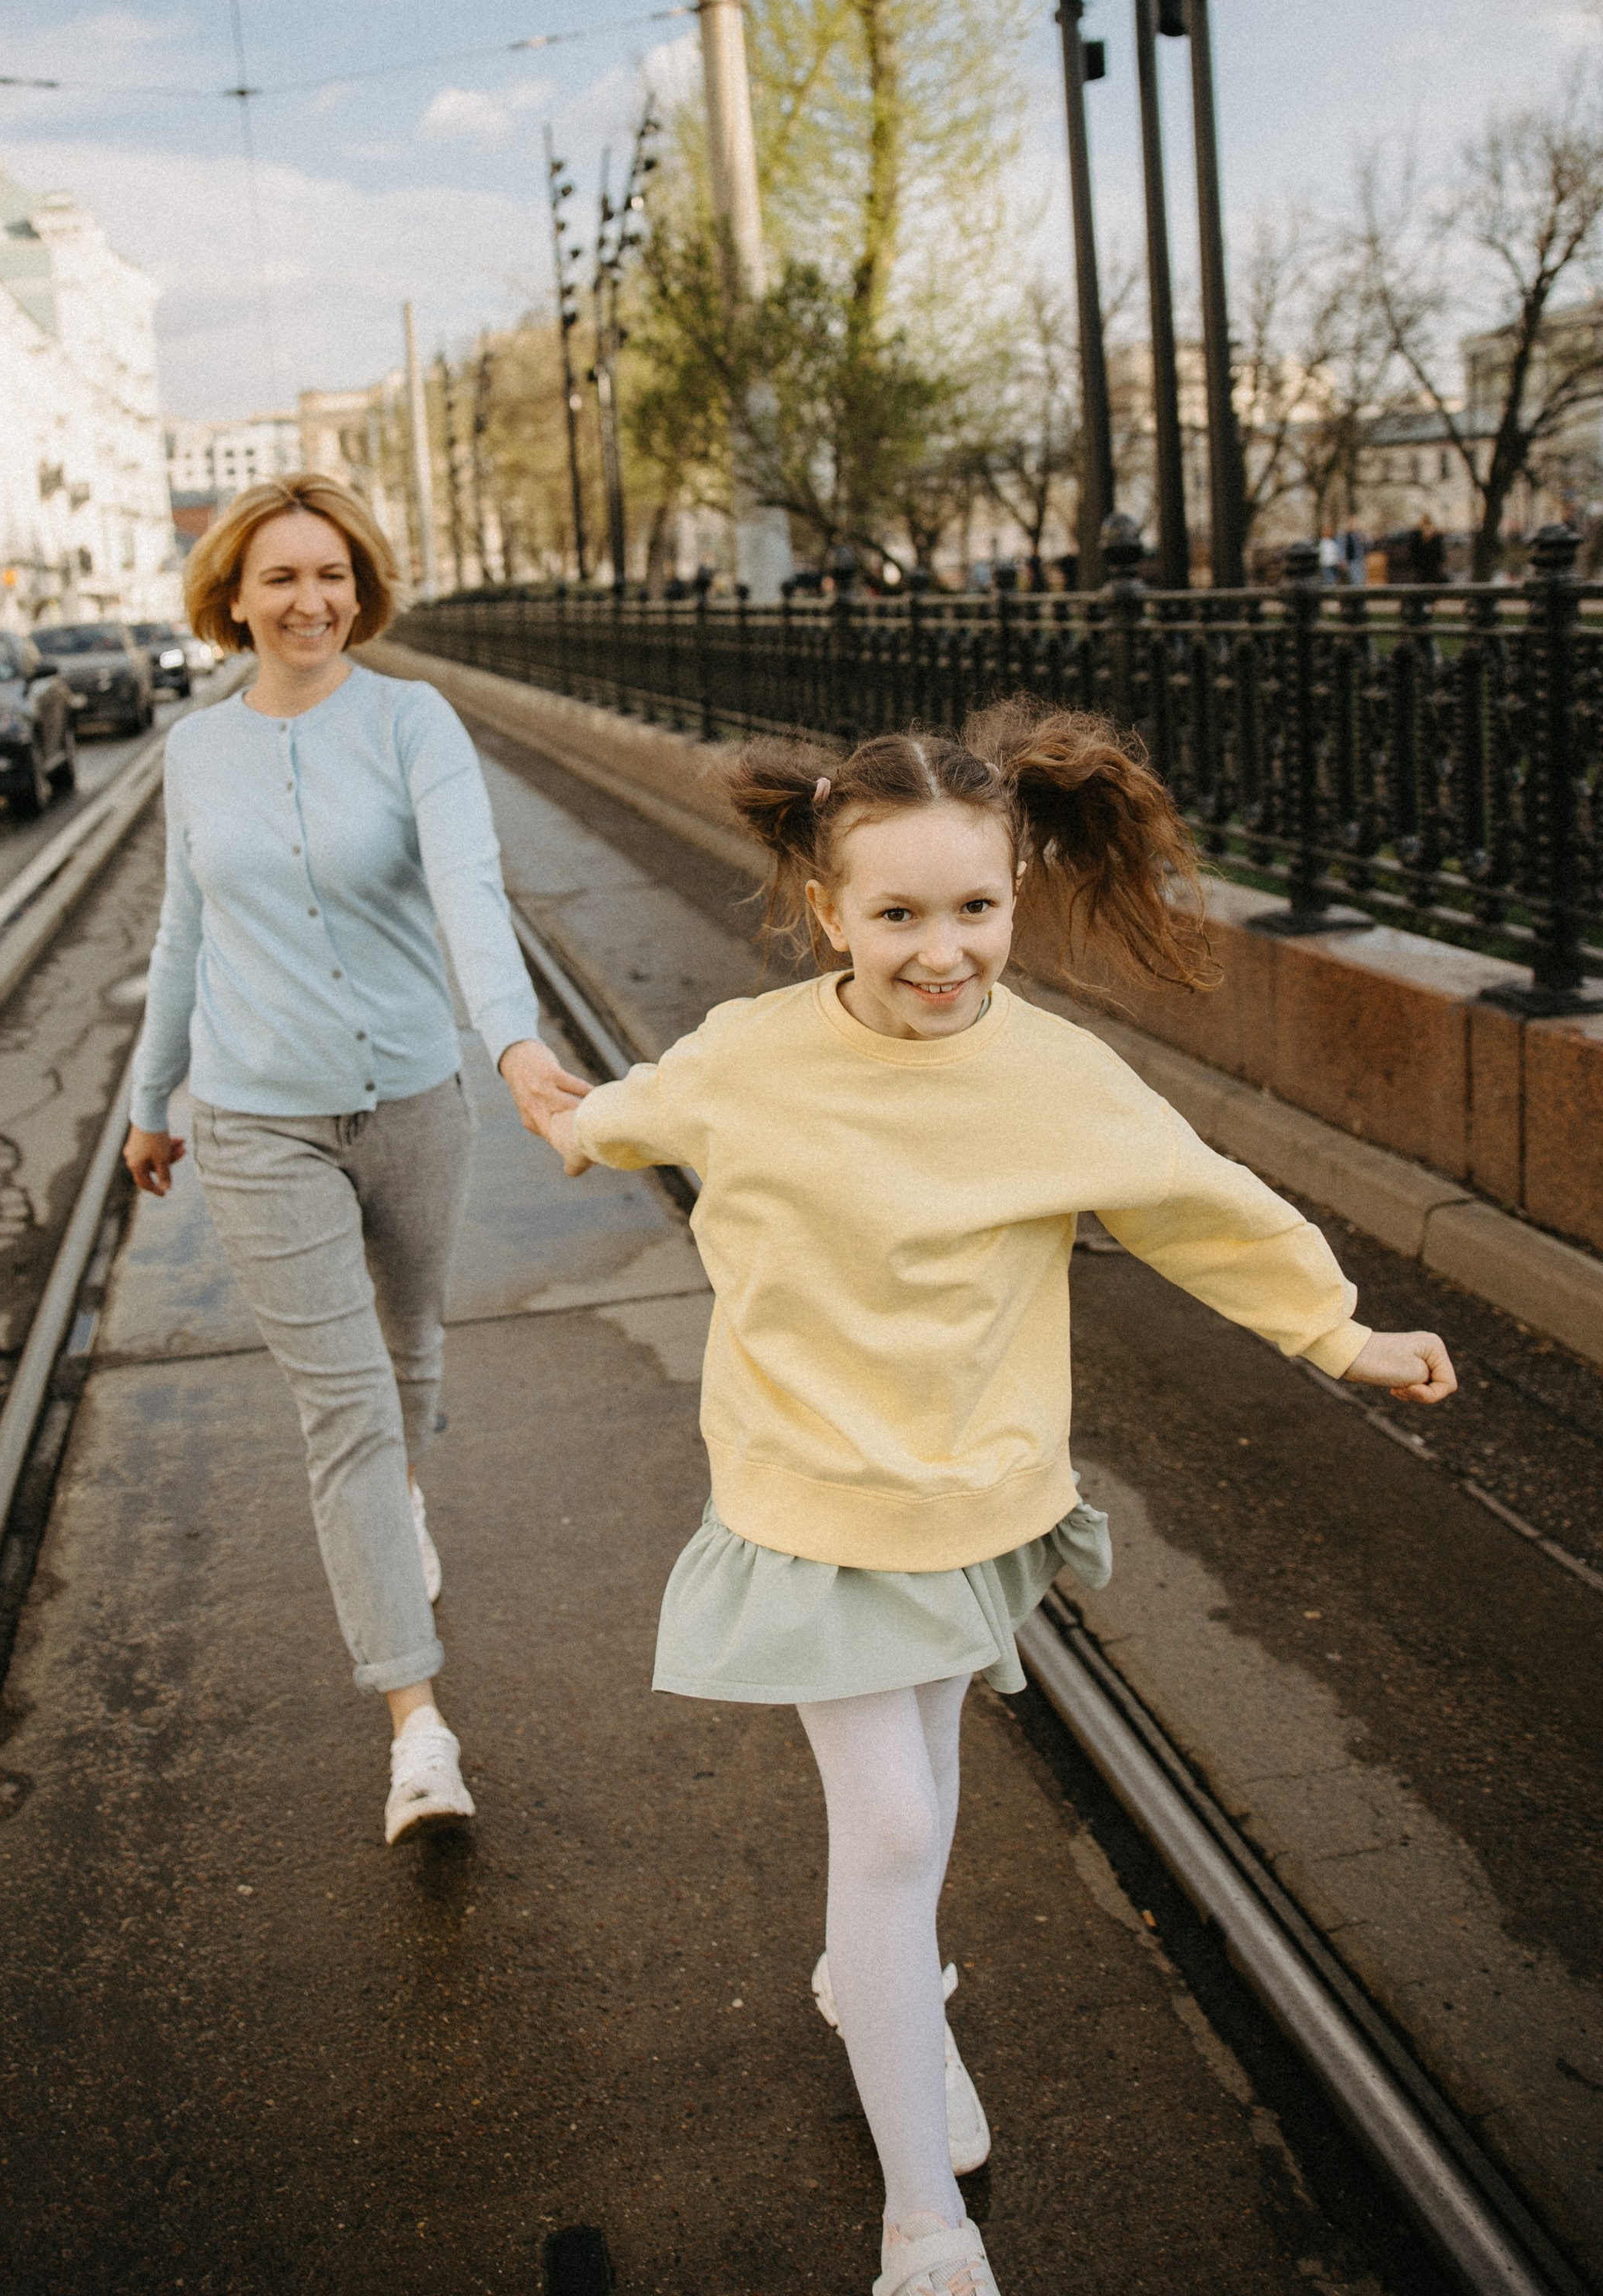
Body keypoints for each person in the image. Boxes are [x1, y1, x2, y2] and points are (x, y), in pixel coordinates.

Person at [541, 707, 1455, 2296]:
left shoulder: (1057, 1078)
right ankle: (920, 2221)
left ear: (1014, 888)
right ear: (827, 912)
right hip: (811, 1500)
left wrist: (1339, 1331)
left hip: (974, 1491)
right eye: (895, 915)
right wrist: (537, 1086)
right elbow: (616, 1115)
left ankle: (873, 1984)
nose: (940, 951)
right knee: (889, 1822)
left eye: (973, 909)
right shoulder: (750, 1059)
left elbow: (1204, 1210)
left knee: (933, 1793)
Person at [123, 475, 586, 1845]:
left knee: (412, 1351)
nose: (309, 601)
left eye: (331, 574)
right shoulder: (195, 754)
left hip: (413, 1098)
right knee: (346, 1416)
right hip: (256, 1119)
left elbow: (467, 890)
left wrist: (512, 1045)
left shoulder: (410, 721)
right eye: (279, 578)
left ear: (361, 585)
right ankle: (418, 1732)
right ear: (232, 597)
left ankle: (404, 1512)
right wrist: (156, 1101)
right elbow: (179, 939)